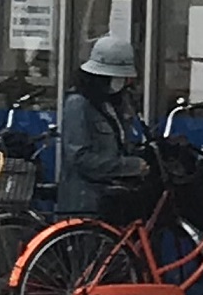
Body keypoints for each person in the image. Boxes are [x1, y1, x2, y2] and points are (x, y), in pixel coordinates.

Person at [58, 34, 149, 219]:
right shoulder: (79, 104)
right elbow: (81, 158)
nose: (125, 83)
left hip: (111, 200)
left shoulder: (112, 104)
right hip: (86, 203)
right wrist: (130, 166)